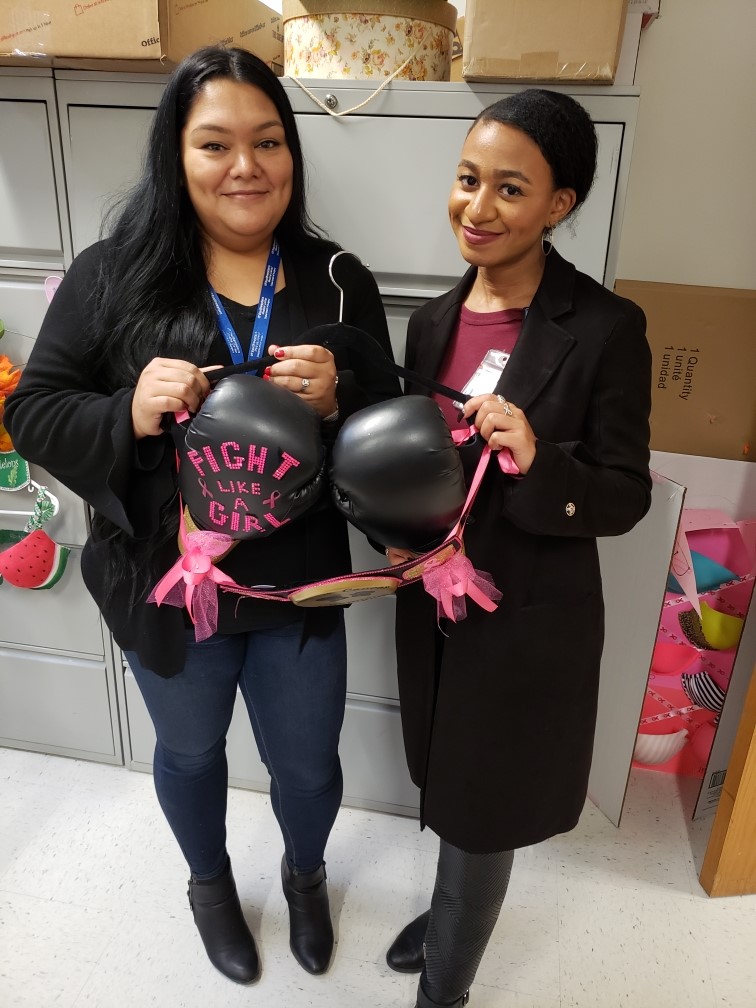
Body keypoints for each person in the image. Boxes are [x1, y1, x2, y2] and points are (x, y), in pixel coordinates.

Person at [5, 46, 399, 986]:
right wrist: (130, 410)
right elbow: (33, 407)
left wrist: (344, 394)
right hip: (165, 579)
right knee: (188, 748)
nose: (245, 167)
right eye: (214, 143)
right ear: (176, 155)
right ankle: (210, 884)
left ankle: (305, 876)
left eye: (268, 142)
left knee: (307, 765)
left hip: (297, 576)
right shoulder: (114, 273)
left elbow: (392, 412)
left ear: (292, 154)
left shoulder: (337, 277)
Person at [384, 89, 652, 1008]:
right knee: (446, 782)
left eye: (510, 189)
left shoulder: (607, 329)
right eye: (467, 181)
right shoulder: (429, 322)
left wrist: (539, 457)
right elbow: (419, 467)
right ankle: (450, 909)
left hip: (528, 618)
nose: (478, 208)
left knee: (483, 809)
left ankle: (445, 989)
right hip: (434, 609)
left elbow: (624, 497)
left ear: (559, 205)